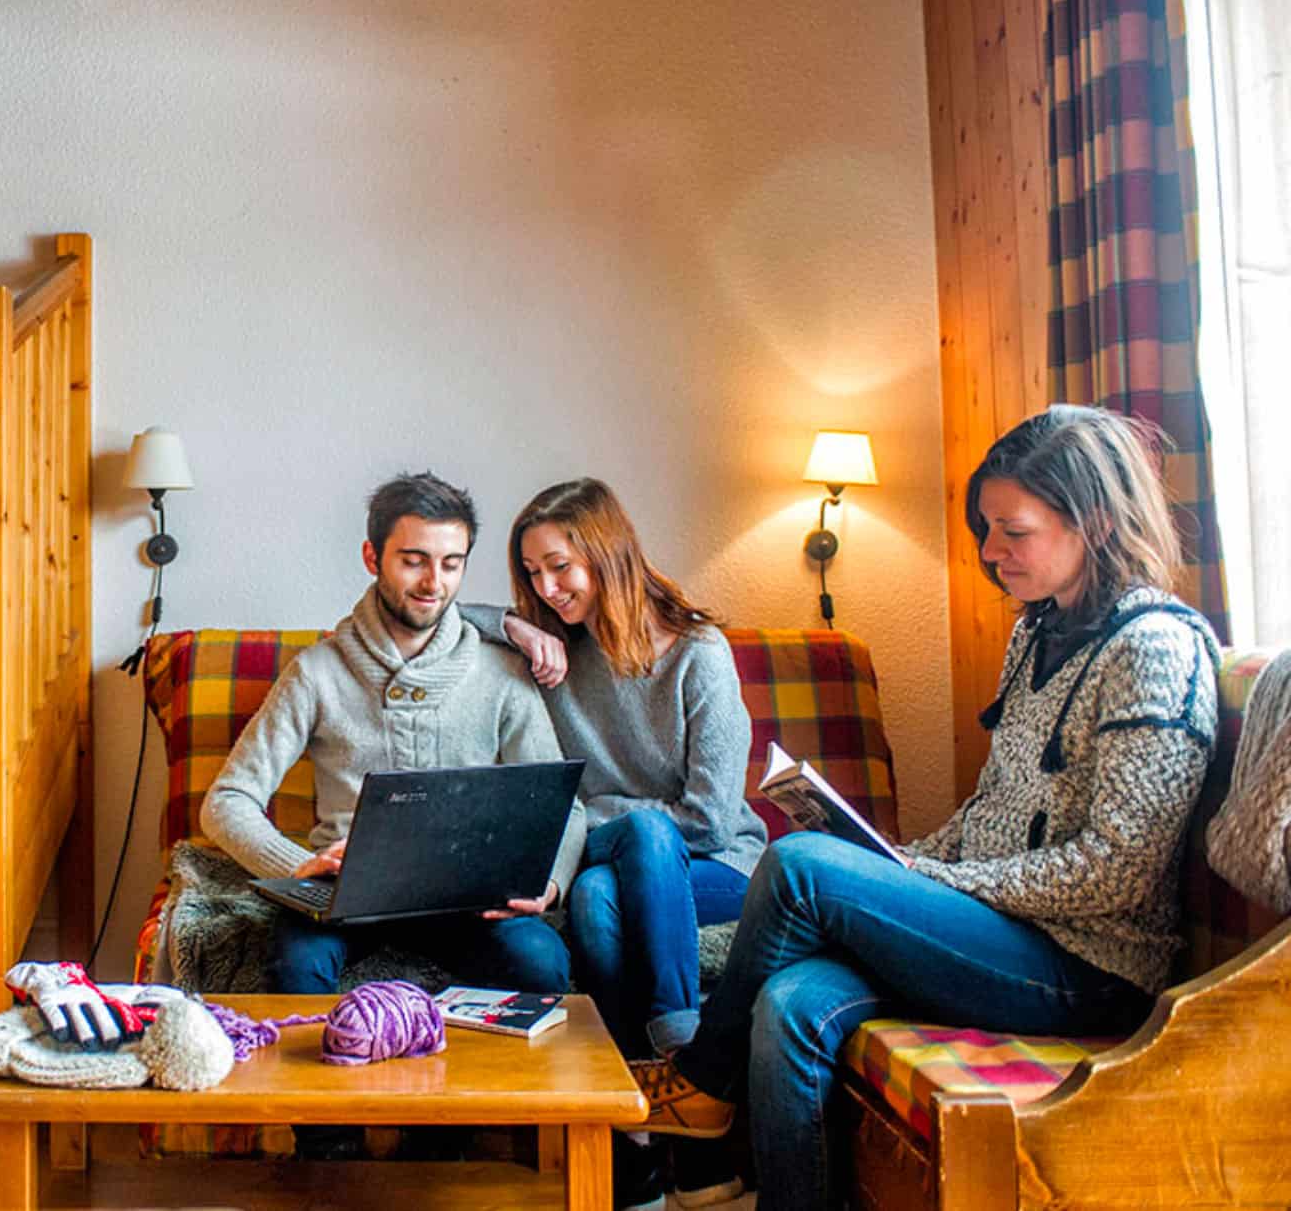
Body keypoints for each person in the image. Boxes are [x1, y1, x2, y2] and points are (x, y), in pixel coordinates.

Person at [636, 405, 1222, 1211]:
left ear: (1094, 521)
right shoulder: (1037, 633)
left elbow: (1116, 872)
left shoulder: (1155, 648)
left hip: (1090, 967)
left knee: (799, 865)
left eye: (1013, 531)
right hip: (1005, 932)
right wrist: (899, 859)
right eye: (987, 529)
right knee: (790, 1002)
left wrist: (938, 882)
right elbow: (993, 809)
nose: (990, 552)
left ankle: (703, 1081)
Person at [461, 478, 763, 1211]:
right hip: (610, 847)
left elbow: (710, 820)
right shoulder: (555, 653)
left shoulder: (698, 654)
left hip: (715, 863)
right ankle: (689, 1102)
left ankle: (640, 1136)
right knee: (623, 855)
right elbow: (444, 613)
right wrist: (517, 625)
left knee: (604, 891)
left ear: (607, 553)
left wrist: (611, 815)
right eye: (532, 572)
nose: (547, 587)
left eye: (560, 566)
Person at [200, 471, 585, 1000]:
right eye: (414, 561)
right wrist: (297, 866)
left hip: (467, 899)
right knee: (296, 967)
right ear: (371, 556)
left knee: (542, 962)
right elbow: (226, 801)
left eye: (451, 563)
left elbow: (565, 806)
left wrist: (551, 884)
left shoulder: (504, 673)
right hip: (344, 896)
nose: (434, 583)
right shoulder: (316, 672)